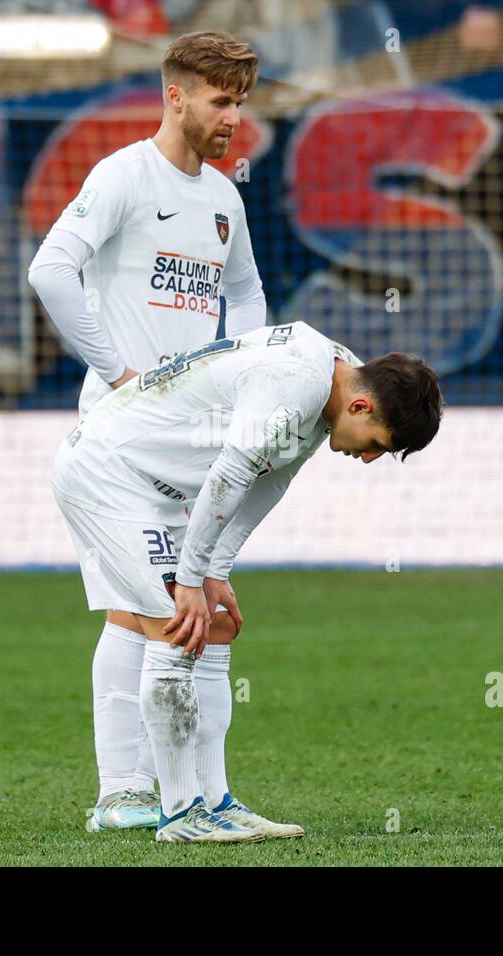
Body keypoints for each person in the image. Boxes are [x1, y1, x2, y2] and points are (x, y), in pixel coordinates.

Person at [51, 320, 443, 841]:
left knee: (212, 627)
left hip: (157, 487)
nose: (368, 458)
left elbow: (272, 479)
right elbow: (231, 474)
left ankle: (215, 801)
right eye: (376, 444)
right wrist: (191, 578)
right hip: (109, 474)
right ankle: (180, 813)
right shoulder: (296, 382)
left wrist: (215, 570)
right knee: (177, 626)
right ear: (361, 408)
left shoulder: (336, 373)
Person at [27, 31, 268, 832]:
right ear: (175, 95)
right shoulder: (125, 175)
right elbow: (51, 270)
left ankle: (182, 794)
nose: (234, 116)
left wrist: (241, 382)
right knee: (146, 608)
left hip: (189, 440)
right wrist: (119, 371)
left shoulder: (225, 200)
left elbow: (250, 302)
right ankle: (124, 792)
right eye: (220, 99)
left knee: (182, 612)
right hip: (120, 438)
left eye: (241, 100)